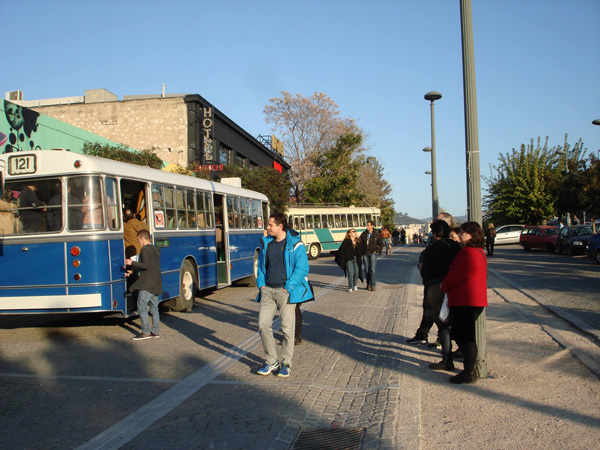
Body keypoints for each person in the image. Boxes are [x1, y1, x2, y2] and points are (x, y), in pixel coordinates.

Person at [255, 212, 312, 378]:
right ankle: (271, 361)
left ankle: (286, 363)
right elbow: (260, 267)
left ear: (280, 226)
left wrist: (289, 287)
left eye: (270, 225)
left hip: (286, 292)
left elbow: (302, 268)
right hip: (268, 292)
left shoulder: (296, 244)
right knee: (262, 325)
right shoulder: (267, 244)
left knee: (287, 329)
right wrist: (261, 285)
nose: (267, 228)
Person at [441, 221, 488, 384]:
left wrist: (444, 286)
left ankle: (468, 371)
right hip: (474, 299)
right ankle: (469, 368)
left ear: (471, 234)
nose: (459, 234)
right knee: (465, 334)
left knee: (464, 336)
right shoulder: (479, 252)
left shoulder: (467, 253)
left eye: (463, 232)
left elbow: (456, 275)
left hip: (465, 299)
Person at [407, 212, 454, 345]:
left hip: (438, 282)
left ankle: (442, 341)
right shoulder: (436, 242)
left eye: (437, 221)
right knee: (430, 309)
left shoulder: (448, 243)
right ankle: (423, 334)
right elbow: (425, 253)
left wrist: (426, 272)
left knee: (436, 311)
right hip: (434, 282)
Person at [420, 220, 460, 371]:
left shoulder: (432, 249)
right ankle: (459, 352)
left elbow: (425, 271)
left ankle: (446, 359)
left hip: (437, 287)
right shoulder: (455, 246)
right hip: (455, 286)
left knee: (442, 322)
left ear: (435, 233)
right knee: (454, 320)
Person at [126, 229, 163, 340]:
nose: (138, 242)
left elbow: (145, 265)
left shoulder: (144, 250)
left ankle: (145, 332)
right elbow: (150, 265)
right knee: (154, 309)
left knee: (141, 307)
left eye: (138, 240)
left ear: (143, 238)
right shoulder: (155, 249)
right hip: (156, 283)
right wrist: (133, 270)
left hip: (147, 284)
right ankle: (155, 332)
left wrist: (130, 262)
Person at [360, 220, 383, 291]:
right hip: (365, 253)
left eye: (368, 225)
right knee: (367, 270)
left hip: (372, 253)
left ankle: (373, 285)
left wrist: (377, 251)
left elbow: (381, 244)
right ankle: (368, 284)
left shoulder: (376, 234)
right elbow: (360, 243)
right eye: (366, 225)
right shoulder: (363, 234)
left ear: (372, 226)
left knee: (372, 269)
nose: (367, 226)